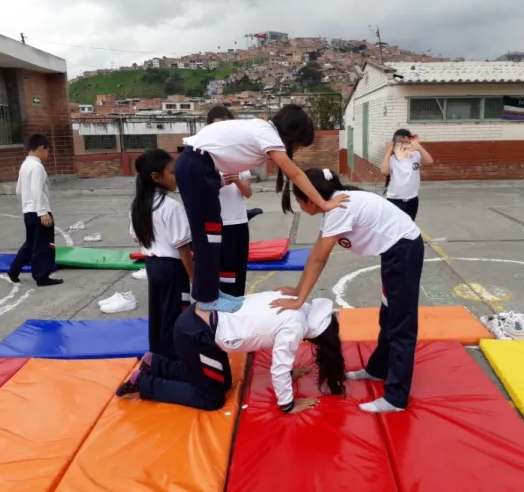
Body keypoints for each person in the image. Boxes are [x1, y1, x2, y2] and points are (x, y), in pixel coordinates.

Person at [272, 168, 424, 413]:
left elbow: (319, 259)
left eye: (299, 201)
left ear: (310, 198)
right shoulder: (337, 204)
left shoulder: (339, 209)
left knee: (401, 325)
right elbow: (315, 254)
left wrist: (300, 299)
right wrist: (298, 290)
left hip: (403, 251)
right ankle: (378, 369)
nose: (301, 206)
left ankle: (396, 398)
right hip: (395, 250)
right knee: (388, 315)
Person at [175, 104, 348, 313]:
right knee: (207, 237)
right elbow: (296, 174)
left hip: (201, 167)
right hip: (196, 166)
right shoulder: (267, 133)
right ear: (292, 134)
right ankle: (207, 298)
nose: (297, 149)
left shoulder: (262, 130)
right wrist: (325, 203)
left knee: (212, 234)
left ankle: (211, 292)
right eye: (300, 144)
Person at [116, 291, 346, 414]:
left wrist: (289, 374)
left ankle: (156, 364)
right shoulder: (296, 324)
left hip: (200, 325)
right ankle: (146, 384)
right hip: (197, 335)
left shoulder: (293, 303)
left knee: (223, 382)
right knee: (211, 399)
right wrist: (288, 405)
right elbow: (279, 367)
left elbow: (269, 327)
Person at [130, 149, 194, 360]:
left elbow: (135, 236)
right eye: (173, 173)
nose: (177, 177)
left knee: (158, 314)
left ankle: (156, 357)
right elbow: (183, 248)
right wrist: (194, 277)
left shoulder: (138, 205)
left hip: (152, 265)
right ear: (156, 177)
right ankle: (171, 363)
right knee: (175, 315)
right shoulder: (171, 207)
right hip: (172, 269)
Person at [207, 106, 254, 296]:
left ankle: (238, 306)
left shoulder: (240, 157)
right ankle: (222, 311)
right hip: (218, 224)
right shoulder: (206, 157)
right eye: (216, 127)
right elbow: (199, 192)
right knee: (223, 272)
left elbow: (248, 193)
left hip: (239, 222)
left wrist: (236, 181)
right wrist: (220, 182)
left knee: (240, 268)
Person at [8, 134, 63, 287]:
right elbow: (37, 190)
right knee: (44, 245)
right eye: (47, 151)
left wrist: (27, 206)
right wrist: (42, 212)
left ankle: (14, 270)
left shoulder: (25, 165)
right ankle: (42, 276)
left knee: (30, 243)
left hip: (29, 211)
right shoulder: (37, 166)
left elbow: (19, 190)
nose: (48, 155)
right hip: (40, 212)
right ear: (41, 148)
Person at [380, 129, 433, 221]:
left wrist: (419, 147)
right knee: (394, 227)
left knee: (409, 227)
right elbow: (384, 171)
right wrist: (388, 150)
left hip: (412, 200)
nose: (405, 145)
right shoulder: (392, 159)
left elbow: (429, 161)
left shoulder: (415, 155)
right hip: (395, 200)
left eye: (408, 142)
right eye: (401, 143)